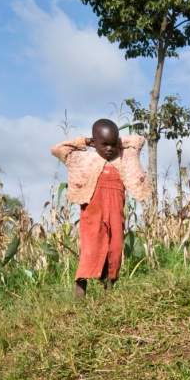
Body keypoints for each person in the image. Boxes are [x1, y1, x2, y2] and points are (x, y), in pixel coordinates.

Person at [51, 119, 150, 297]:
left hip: (115, 212)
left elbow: (138, 141)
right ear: (94, 142)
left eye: (113, 144)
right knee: (91, 249)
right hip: (93, 213)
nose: (109, 149)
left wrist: (119, 142)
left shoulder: (123, 159)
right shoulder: (85, 159)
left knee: (115, 249)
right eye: (104, 144)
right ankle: (80, 292)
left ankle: (108, 295)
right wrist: (85, 141)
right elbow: (58, 149)